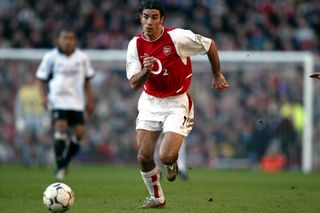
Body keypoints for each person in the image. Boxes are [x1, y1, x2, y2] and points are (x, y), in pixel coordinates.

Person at [126, 0, 229, 208]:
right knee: (144, 157)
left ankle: (171, 163)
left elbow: (209, 44)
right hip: (149, 102)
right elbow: (134, 84)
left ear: (162, 19)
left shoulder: (177, 38)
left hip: (176, 102)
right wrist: (146, 70)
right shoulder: (135, 45)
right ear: (140, 18)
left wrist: (217, 74)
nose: (149, 22)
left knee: (165, 155)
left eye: (154, 17)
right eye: (146, 16)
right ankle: (157, 198)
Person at [36, 27, 95, 181]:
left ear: (75, 40)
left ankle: (64, 164)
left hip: (76, 101)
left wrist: (90, 99)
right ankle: (60, 164)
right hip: (57, 100)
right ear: (59, 40)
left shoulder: (82, 58)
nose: (68, 41)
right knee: (61, 126)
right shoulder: (51, 57)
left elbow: (88, 80)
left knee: (80, 133)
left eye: (71, 38)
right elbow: (41, 79)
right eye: (65, 38)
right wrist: (43, 97)